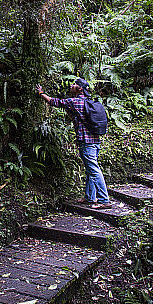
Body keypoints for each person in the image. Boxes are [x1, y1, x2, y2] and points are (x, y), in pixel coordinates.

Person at [35, 78, 111, 207]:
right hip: (95, 141)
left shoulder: (75, 101)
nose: (72, 85)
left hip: (86, 143)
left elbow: (54, 102)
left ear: (80, 89)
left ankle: (104, 200)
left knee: (93, 170)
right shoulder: (88, 101)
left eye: (75, 84)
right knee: (90, 170)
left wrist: (41, 93)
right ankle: (89, 197)